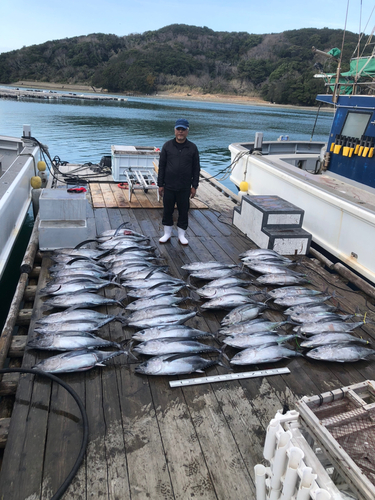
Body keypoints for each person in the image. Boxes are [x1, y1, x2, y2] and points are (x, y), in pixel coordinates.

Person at [157, 118, 200, 245]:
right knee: (167, 210)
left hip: (184, 187)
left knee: (183, 211)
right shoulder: (167, 146)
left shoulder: (192, 148)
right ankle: (167, 234)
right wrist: (160, 184)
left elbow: (196, 168)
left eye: (183, 129)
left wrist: (194, 186)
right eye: (178, 129)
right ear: (175, 130)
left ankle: (182, 235)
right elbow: (162, 166)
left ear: (187, 131)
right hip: (169, 186)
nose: (180, 132)